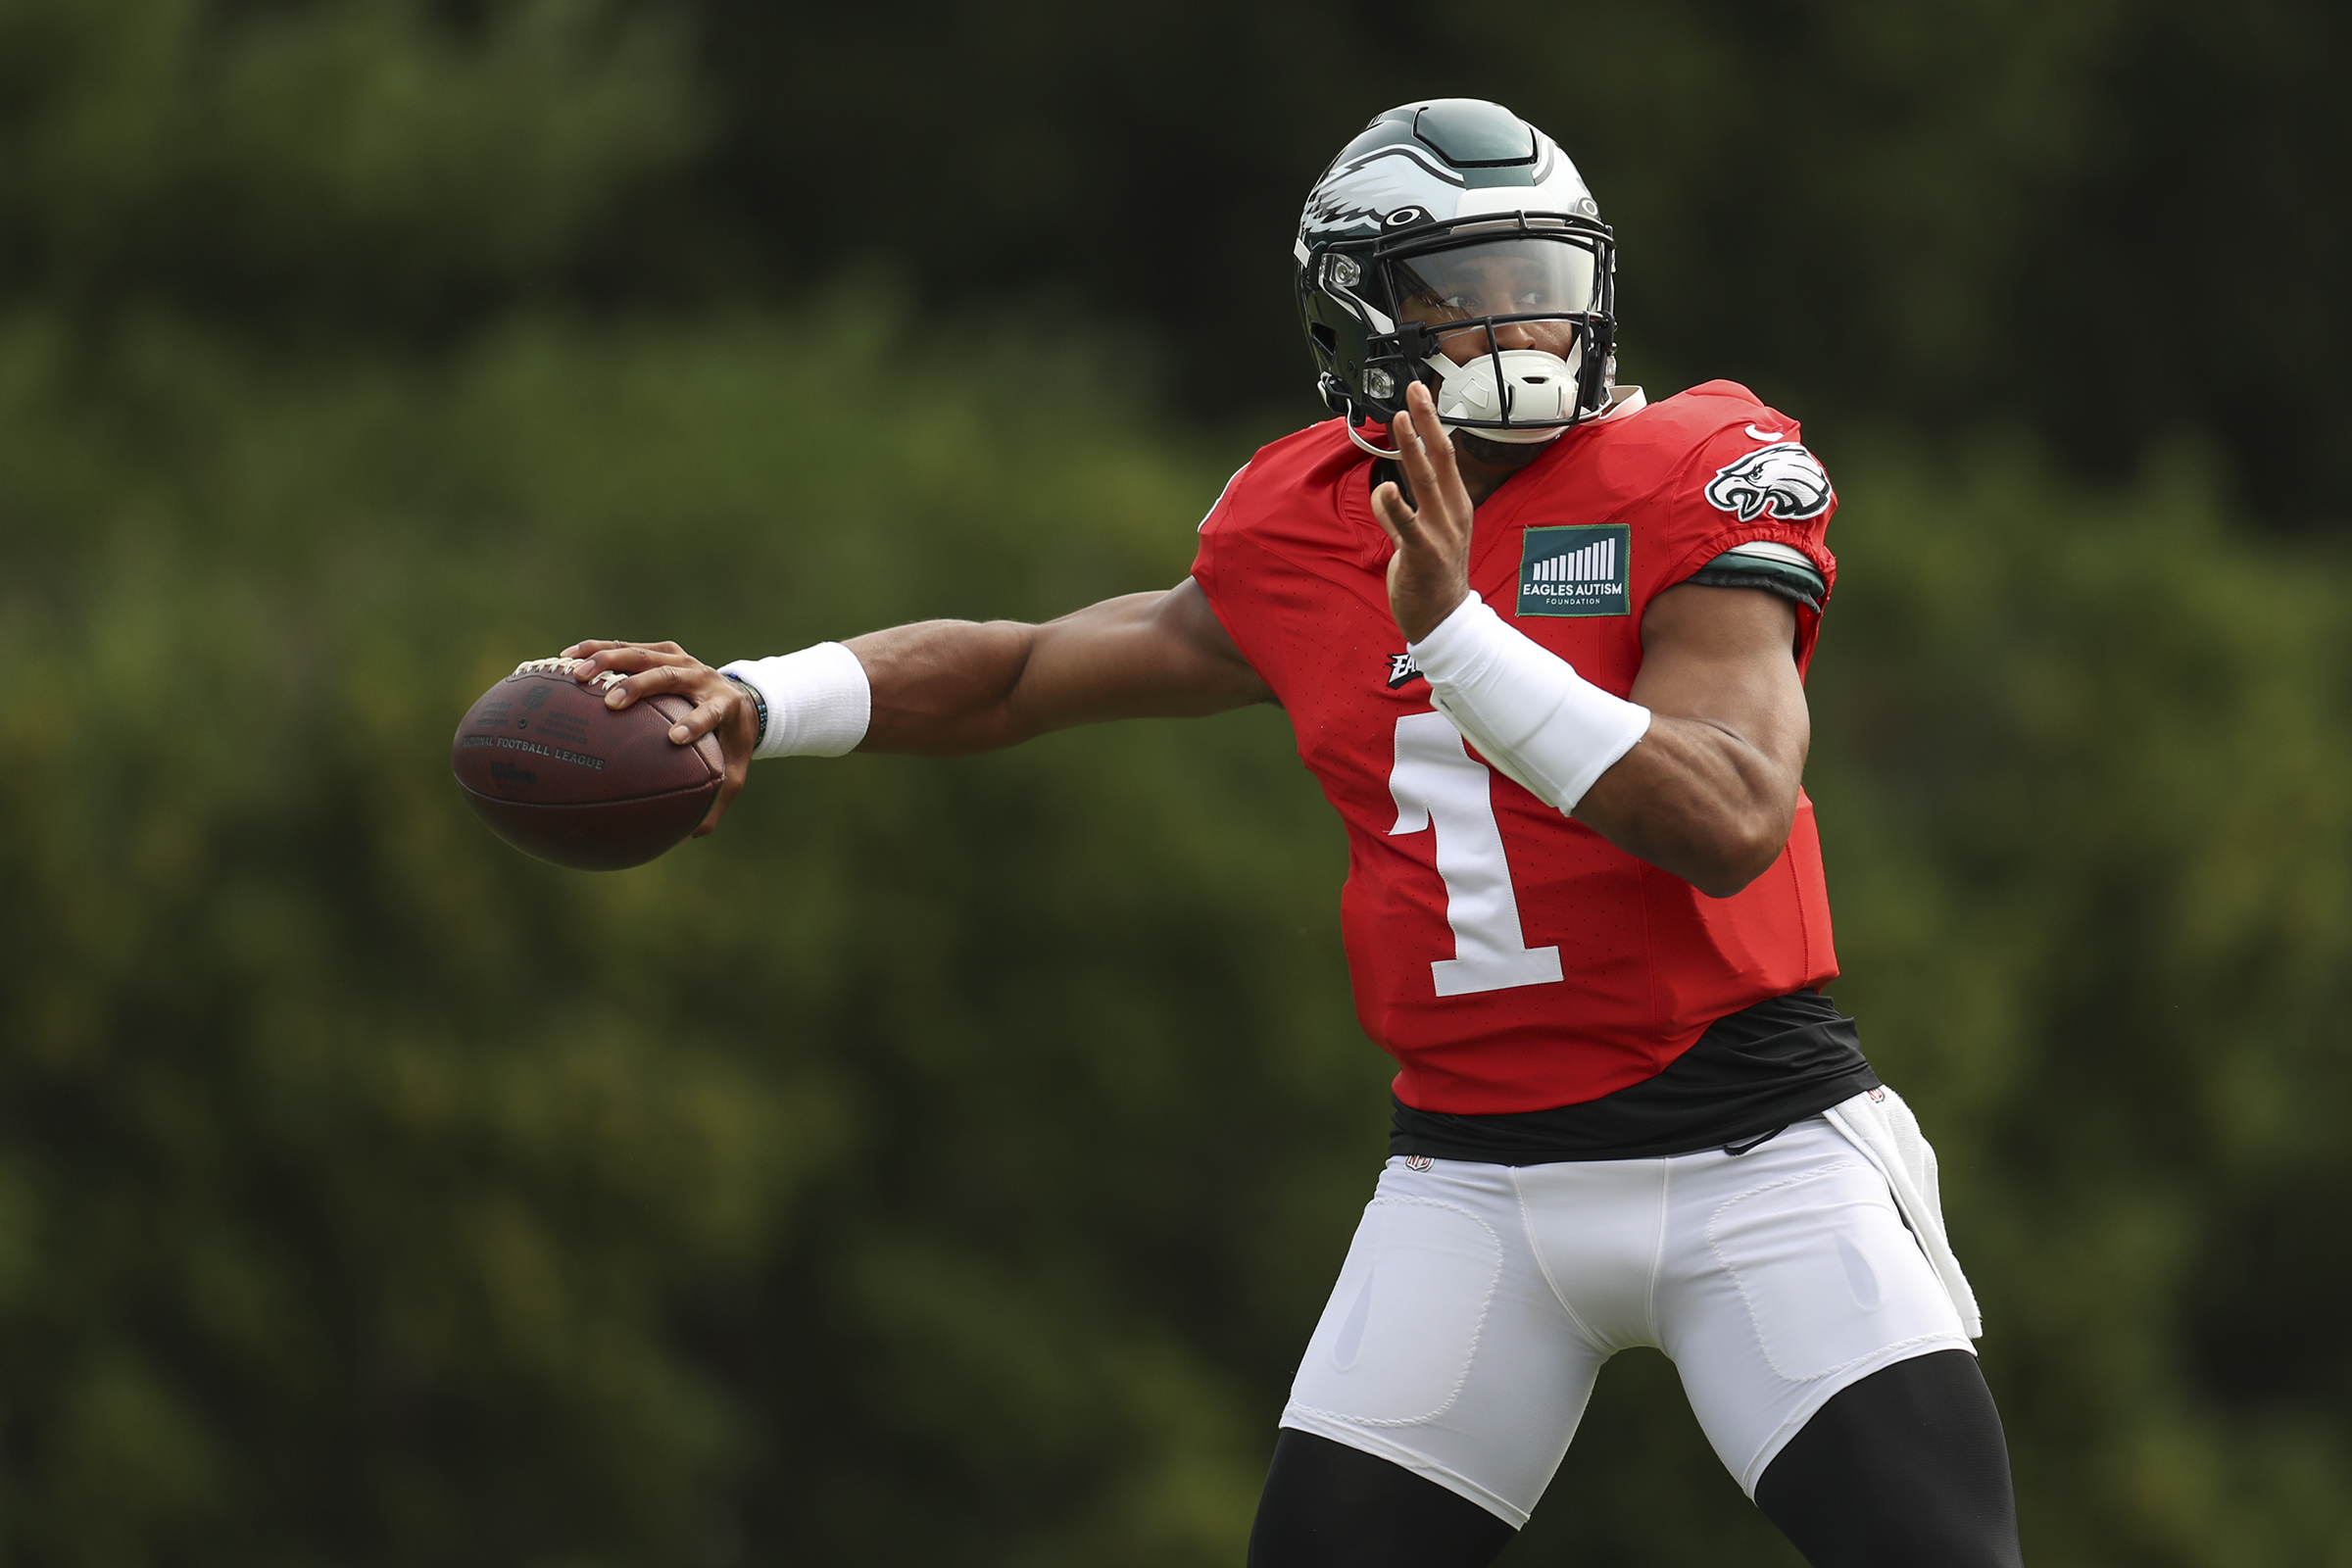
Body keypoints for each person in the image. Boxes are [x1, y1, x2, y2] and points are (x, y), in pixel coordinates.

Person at [561, 99, 2024, 1568]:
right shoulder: (1306, 520)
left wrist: (1459, 638)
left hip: (1751, 1153)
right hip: (1474, 1180)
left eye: (1542, 280)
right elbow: (1017, 670)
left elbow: (1729, 818)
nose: (1517, 327)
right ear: (1358, 320)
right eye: (1464, 293)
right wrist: (760, 695)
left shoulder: (1698, 466)